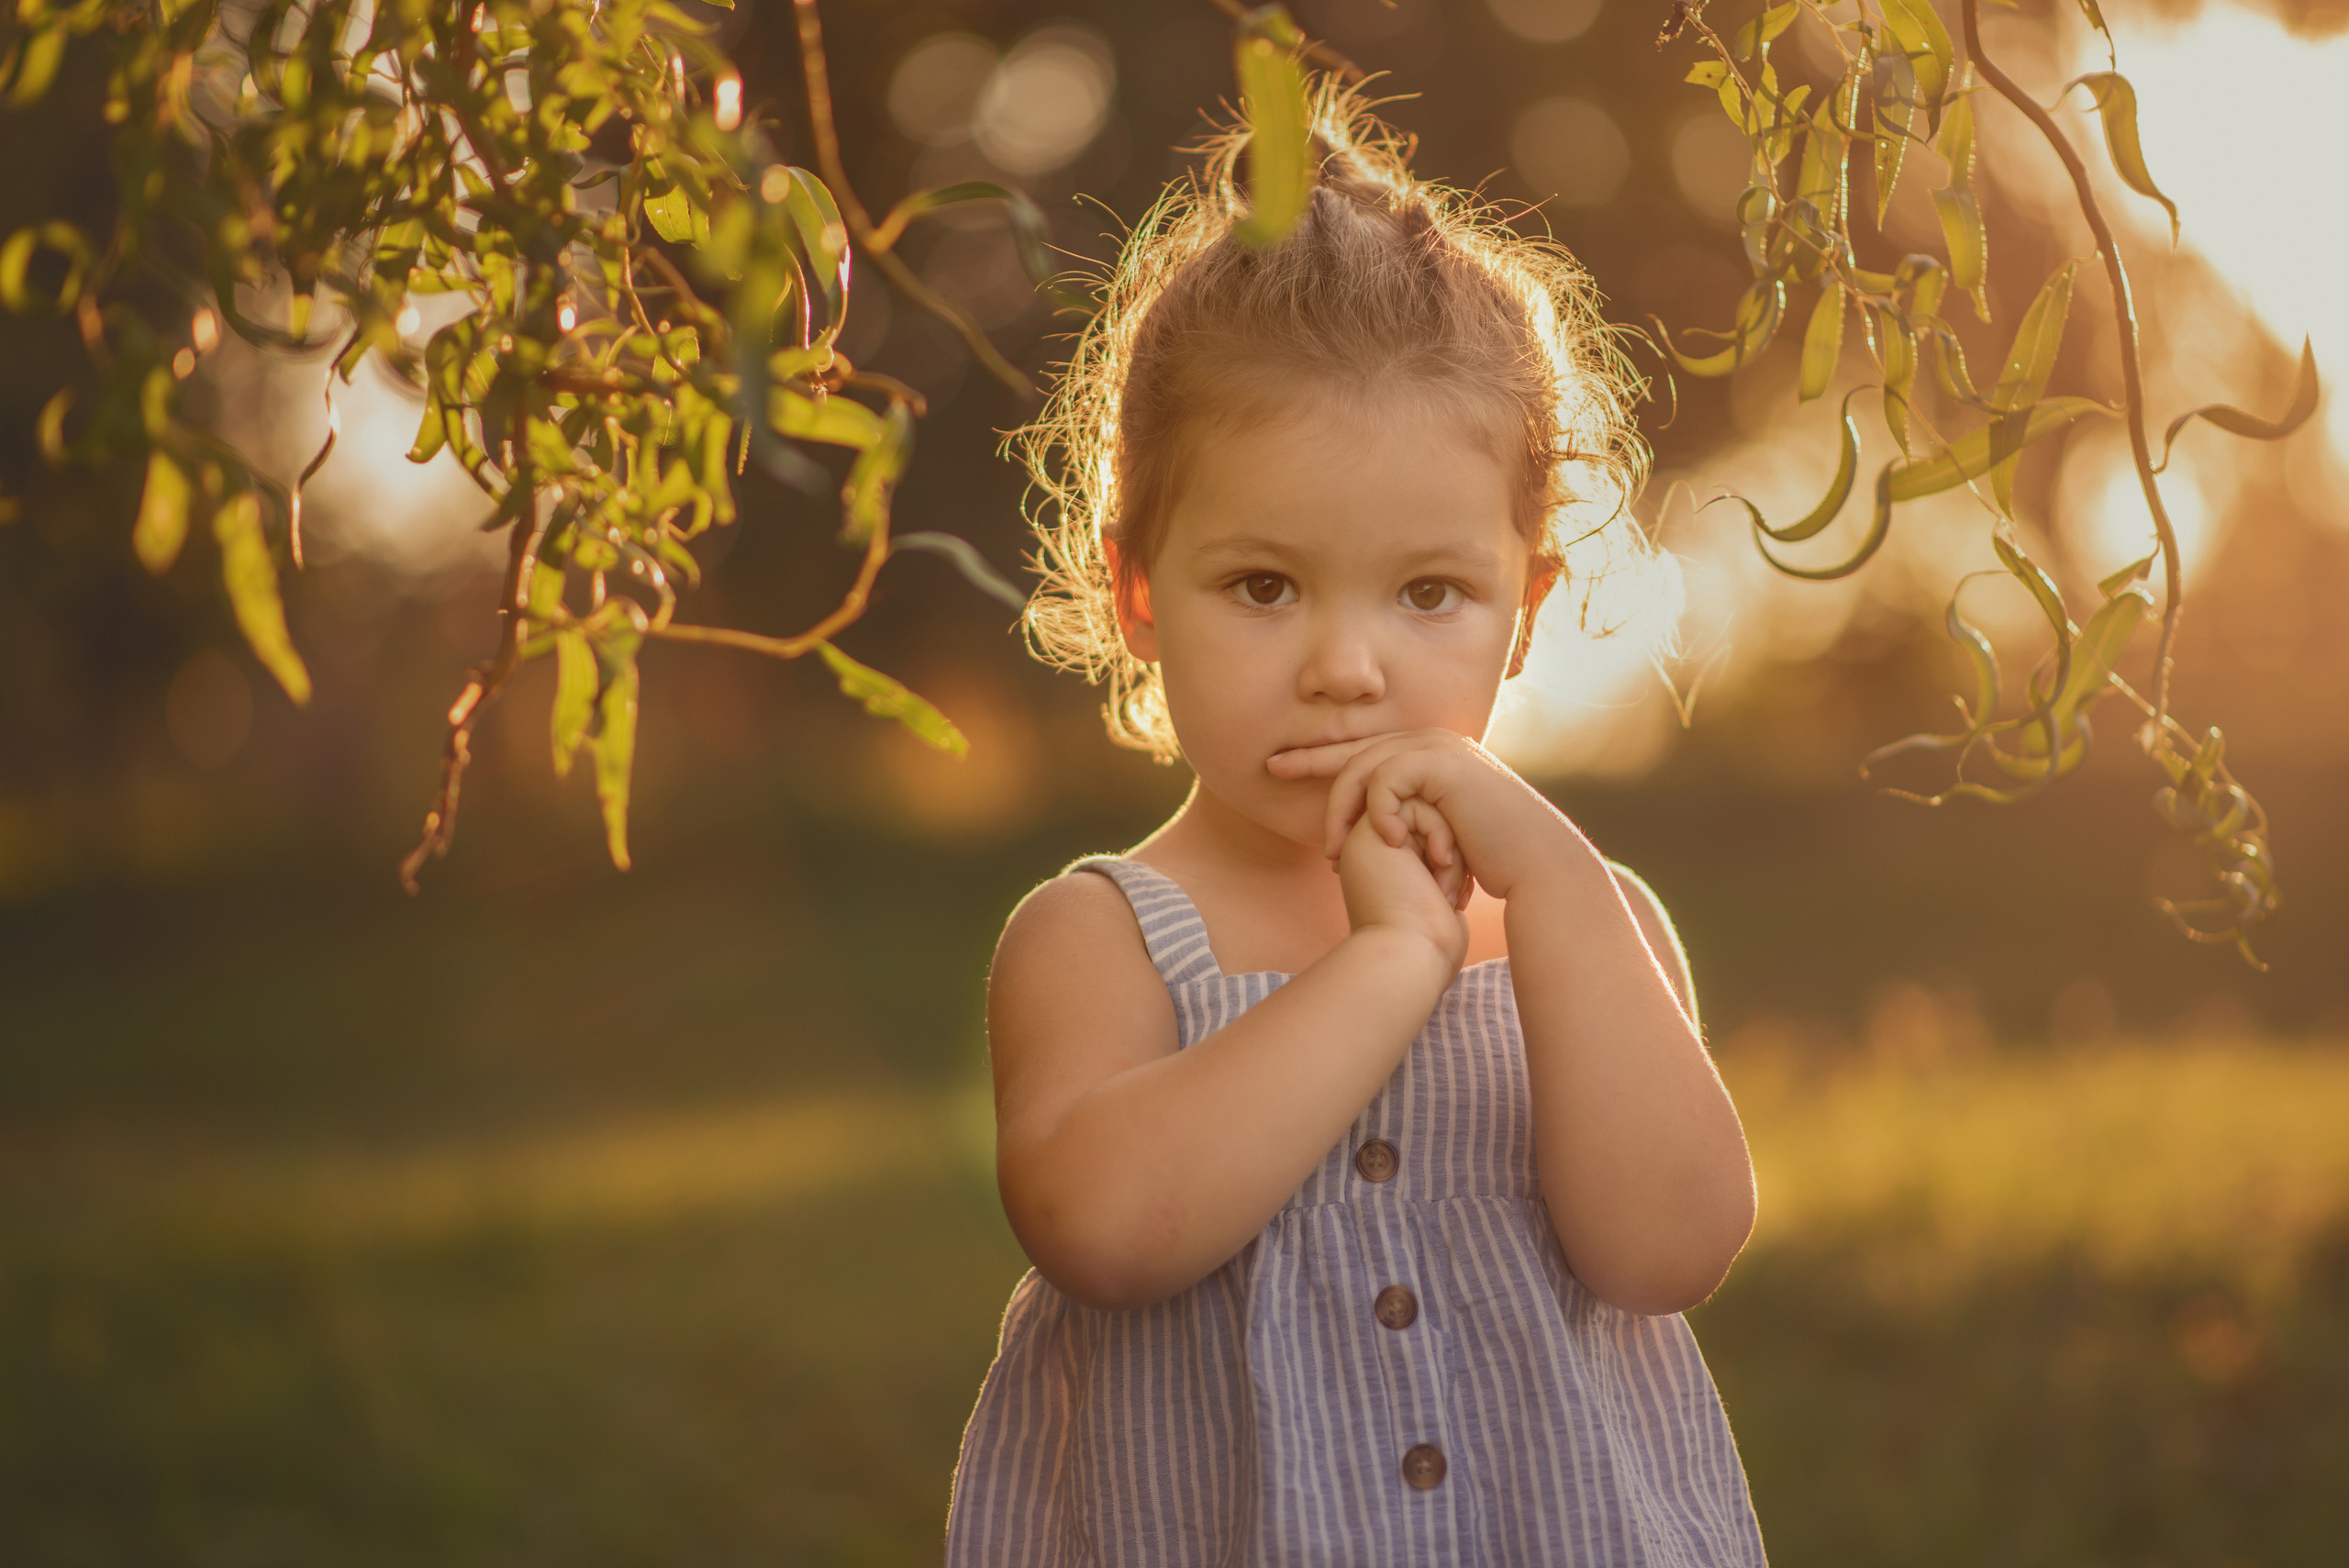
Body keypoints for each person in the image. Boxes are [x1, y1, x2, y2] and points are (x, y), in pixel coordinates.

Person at [943, 83, 1766, 1566]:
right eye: (1264, 585)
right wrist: (1388, 967)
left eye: (1429, 593)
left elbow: (1671, 1246)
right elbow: (1107, 1230)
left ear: (1527, 616)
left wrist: (1563, 888)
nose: (1346, 663)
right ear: (1137, 592)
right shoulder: (1102, 936)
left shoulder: (1590, 924)